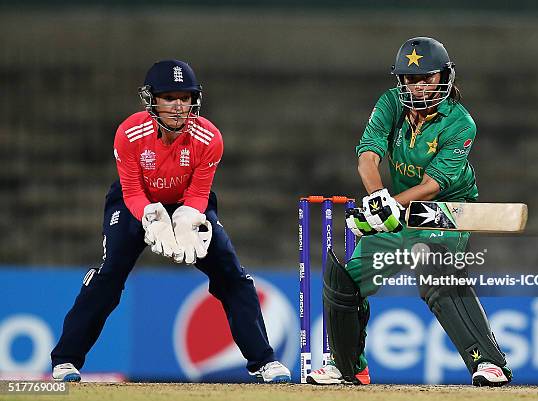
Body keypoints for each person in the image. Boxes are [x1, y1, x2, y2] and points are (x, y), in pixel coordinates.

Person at [50, 59, 291, 383]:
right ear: (151, 100)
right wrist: (153, 219)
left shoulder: (209, 138)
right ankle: (65, 361)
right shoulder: (129, 133)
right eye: (169, 97)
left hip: (189, 203)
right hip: (135, 203)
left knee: (231, 273)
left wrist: (188, 219)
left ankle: (264, 362)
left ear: (195, 100)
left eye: (185, 97)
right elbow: (132, 189)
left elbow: (199, 192)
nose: (178, 106)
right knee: (109, 276)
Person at [306, 37, 512, 386]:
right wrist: (377, 199)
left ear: (445, 77)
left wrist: (390, 203)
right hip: (400, 209)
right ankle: (348, 367)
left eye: (427, 78)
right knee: (344, 281)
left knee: (433, 267)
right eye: (409, 79)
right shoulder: (389, 104)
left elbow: (435, 183)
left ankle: (489, 364)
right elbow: (368, 156)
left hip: (446, 211)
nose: (417, 86)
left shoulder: (461, 123)